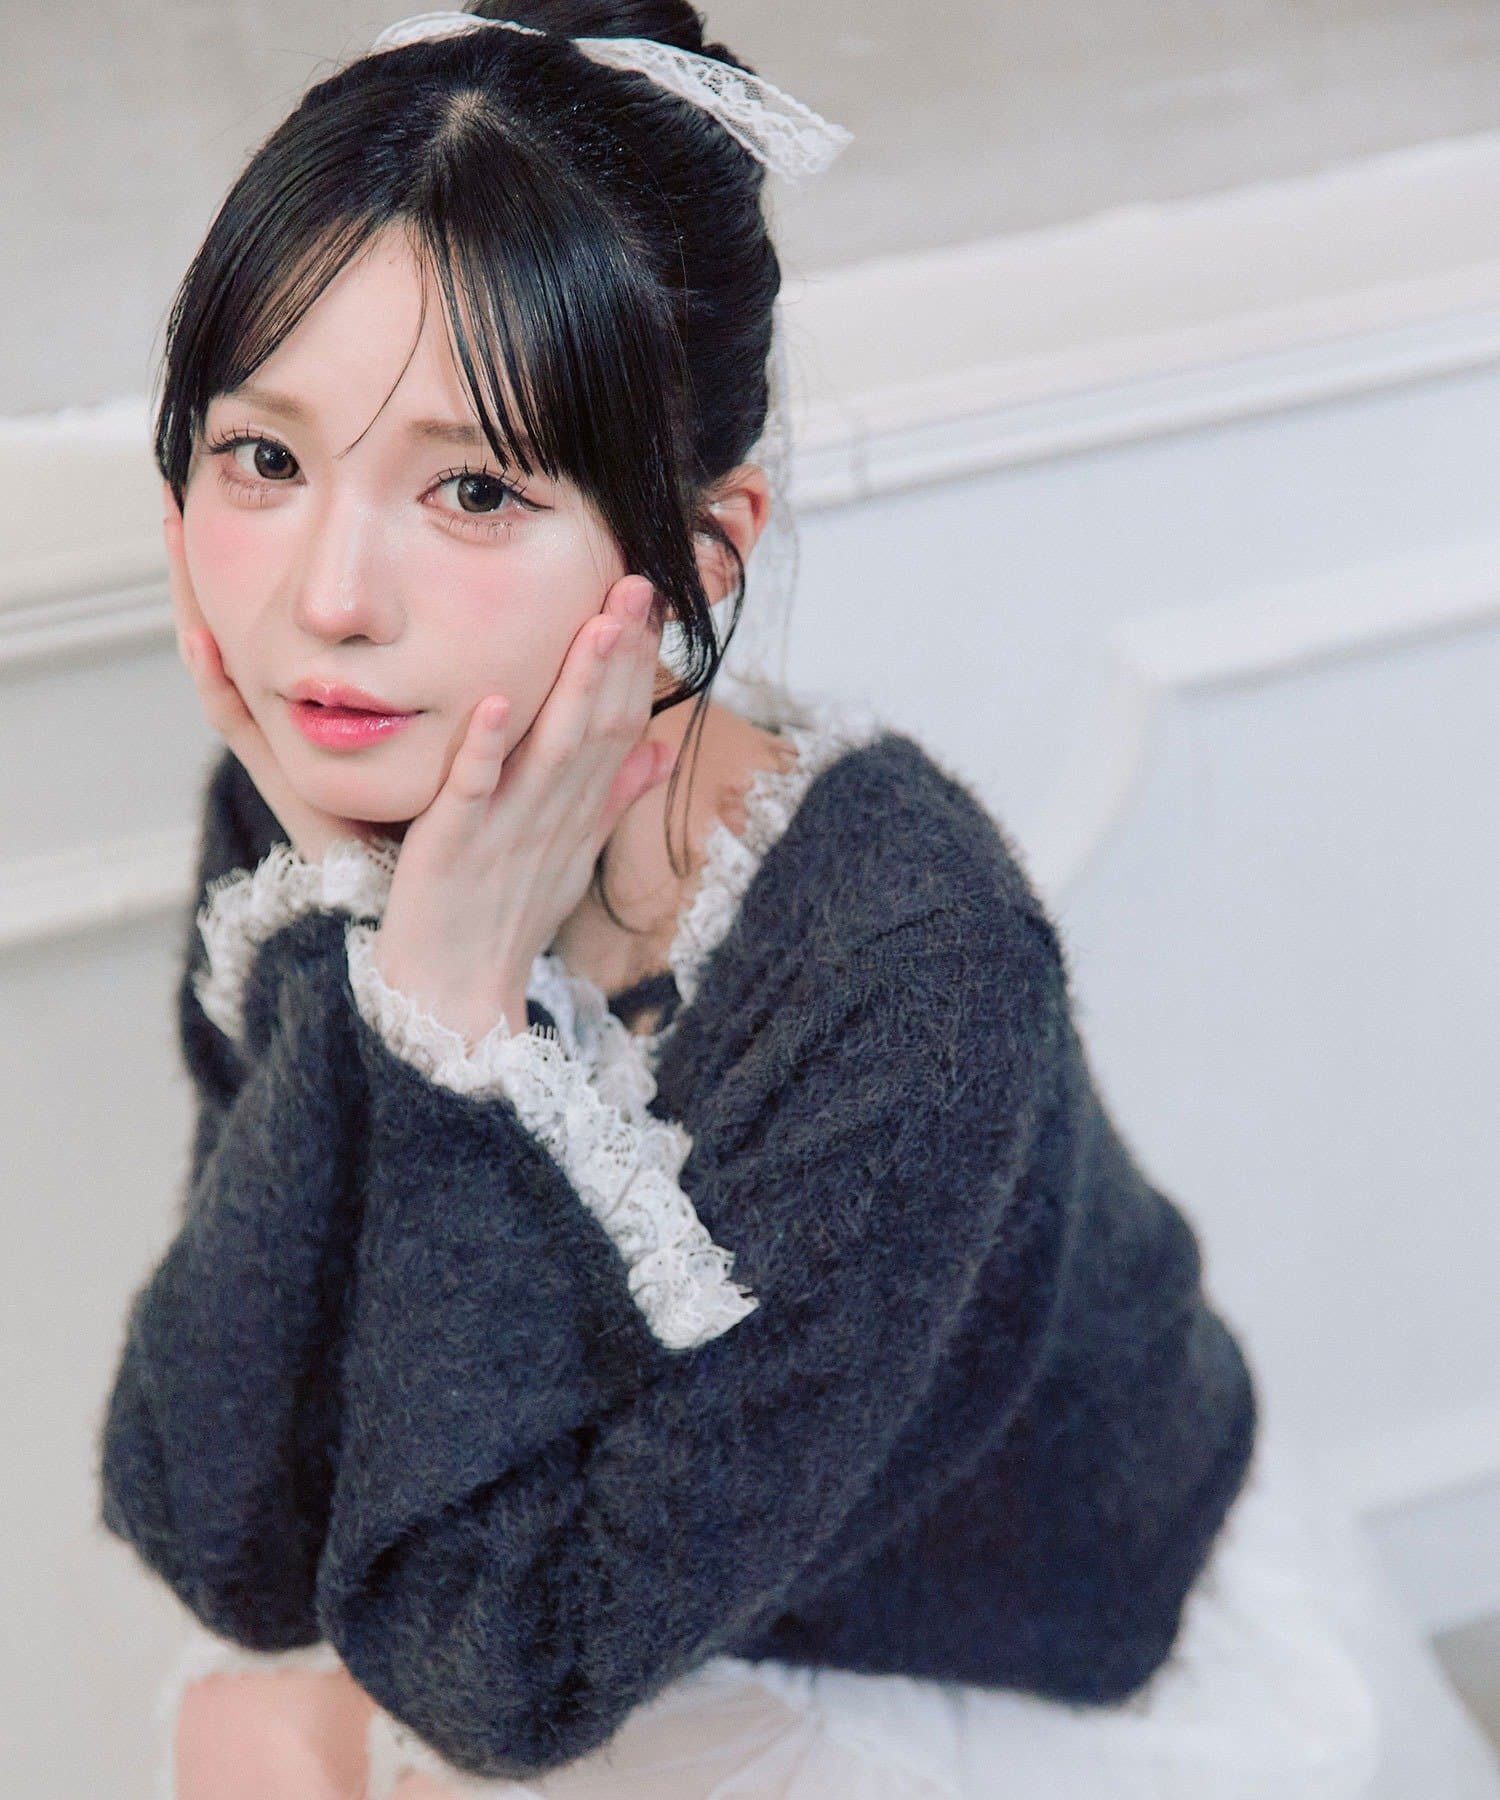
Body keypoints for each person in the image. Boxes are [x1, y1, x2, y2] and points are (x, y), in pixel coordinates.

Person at [95, 5, 1387, 1797]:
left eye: (470, 488)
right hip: (569, 1561)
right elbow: (218, 1531)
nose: (325, 598)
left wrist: (449, 1005)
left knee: (287, 1750)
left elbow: (505, 1670)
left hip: (991, 1607)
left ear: (694, 562)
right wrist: (365, 933)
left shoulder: (913, 969)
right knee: (245, 1731)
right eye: (263, 458)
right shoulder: (315, 787)